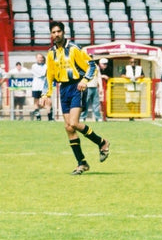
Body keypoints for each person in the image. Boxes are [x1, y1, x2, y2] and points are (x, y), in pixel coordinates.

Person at [40, 21, 110, 175]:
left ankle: (102, 142)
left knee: (73, 122)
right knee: (69, 127)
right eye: (53, 32)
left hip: (76, 87)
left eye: (58, 31)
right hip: (63, 88)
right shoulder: (51, 53)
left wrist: (85, 80)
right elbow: (49, 75)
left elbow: (92, 66)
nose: (56, 34)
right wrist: (46, 94)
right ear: (51, 34)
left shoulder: (74, 49)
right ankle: (82, 163)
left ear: (63, 32)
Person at [30, 53, 51, 121]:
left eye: (41, 57)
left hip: (44, 87)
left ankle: (50, 118)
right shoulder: (34, 66)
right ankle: (38, 118)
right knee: (36, 102)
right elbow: (42, 74)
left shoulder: (46, 65)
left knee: (48, 102)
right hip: (36, 87)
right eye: (38, 57)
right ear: (36, 58)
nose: (40, 59)